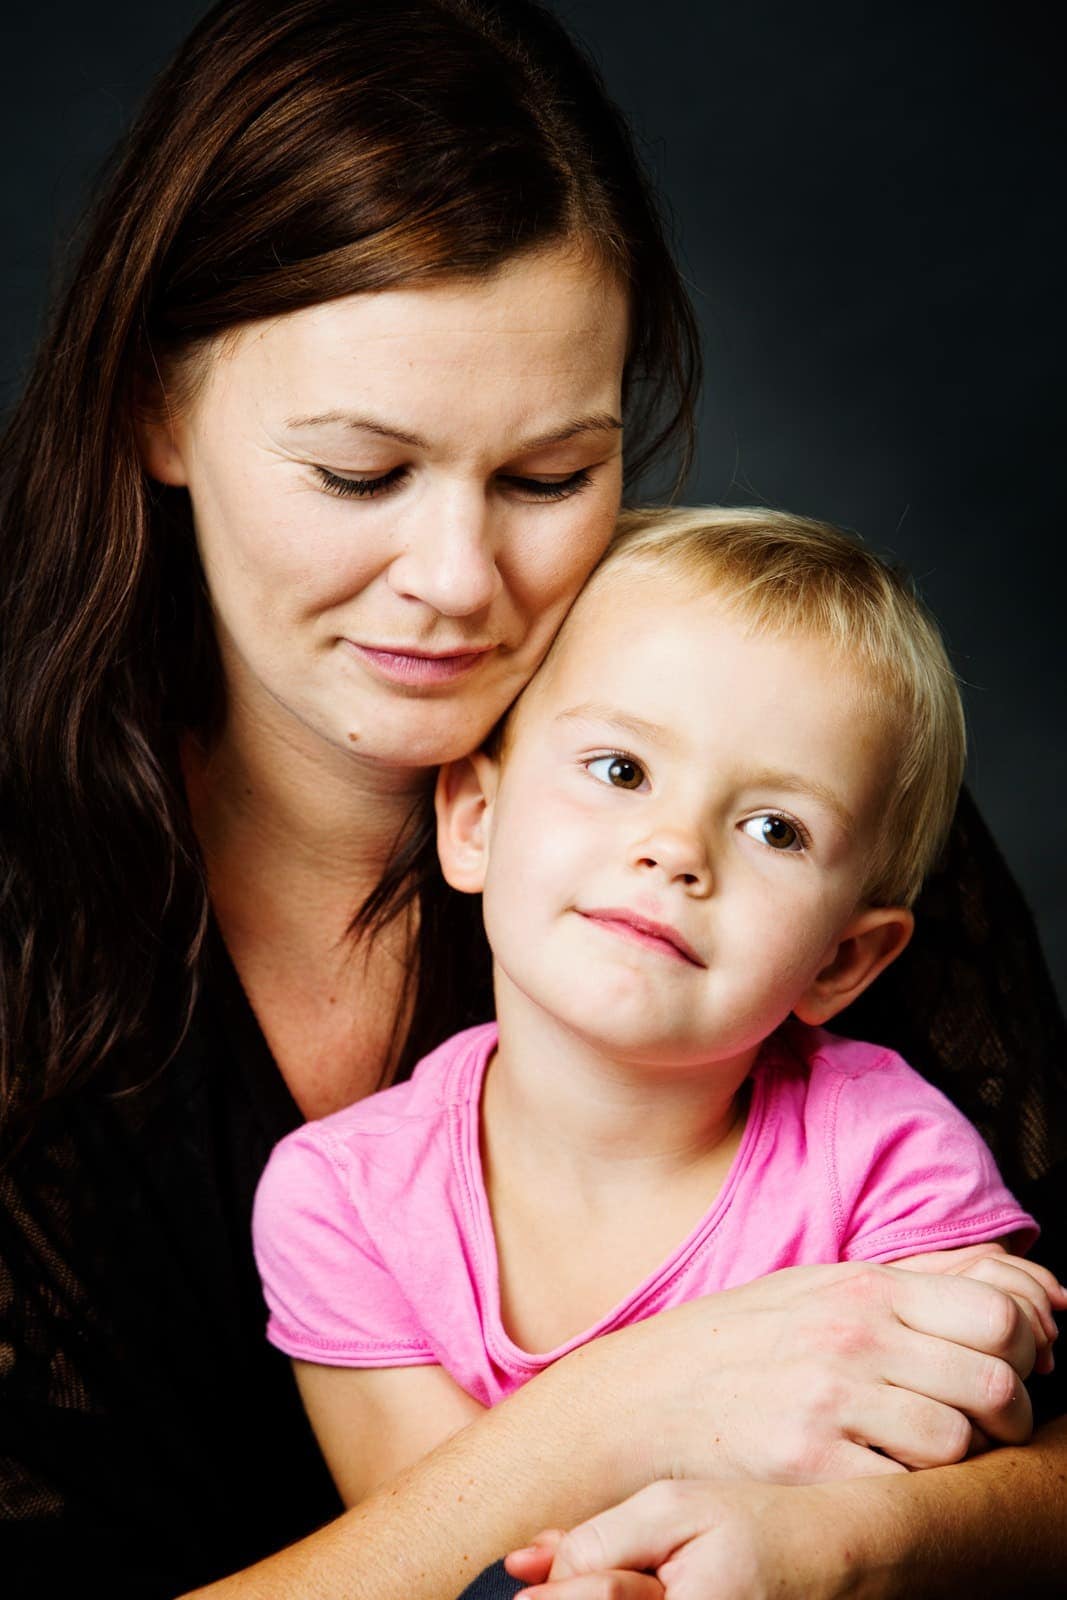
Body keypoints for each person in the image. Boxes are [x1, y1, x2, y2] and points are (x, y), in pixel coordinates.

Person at [0, 1, 1063, 1597]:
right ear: (156, 408)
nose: (453, 581)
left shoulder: (782, 790)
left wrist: (846, 1544)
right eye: (359, 472)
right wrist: (634, 1408)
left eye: (549, 478)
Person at [251, 505, 1060, 1518]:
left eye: (773, 826)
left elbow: (946, 1483)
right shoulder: (344, 1201)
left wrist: (993, 1322)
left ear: (842, 959)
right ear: (474, 821)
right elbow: (436, 1550)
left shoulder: (887, 1157)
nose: (675, 847)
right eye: (621, 769)